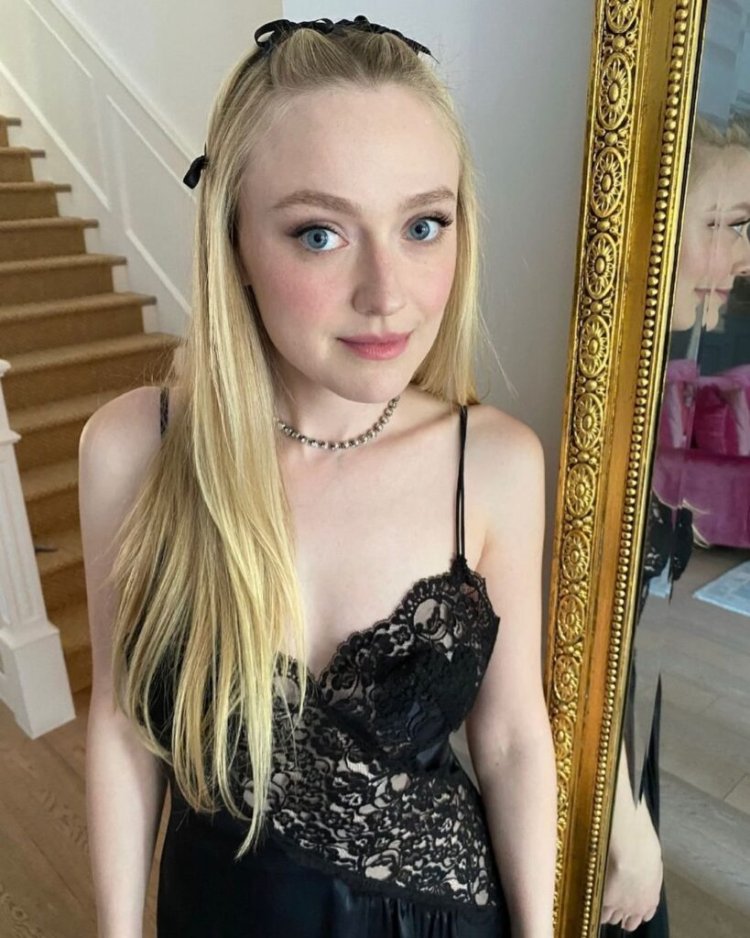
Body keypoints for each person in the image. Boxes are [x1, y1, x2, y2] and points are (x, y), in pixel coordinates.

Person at [80, 15, 557, 938]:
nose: (388, 293)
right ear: (234, 242)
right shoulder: (134, 453)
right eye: (320, 234)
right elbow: (120, 725)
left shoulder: (493, 463)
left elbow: (509, 741)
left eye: (423, 225)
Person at [599, 115, 750, 935]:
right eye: (721, 225)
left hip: (630, 707)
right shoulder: (603, 392)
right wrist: (624, 823)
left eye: (745, 227)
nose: (742, 255)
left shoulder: (672, 367)